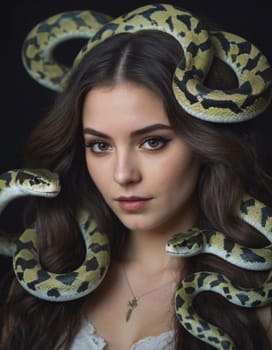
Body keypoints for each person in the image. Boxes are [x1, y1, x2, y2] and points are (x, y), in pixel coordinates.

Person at [0, 3, 272, 349]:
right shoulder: (37, 285)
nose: (123, 174)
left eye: (152, 142)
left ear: (203, 143)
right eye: (99, 145)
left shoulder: (257, 302)